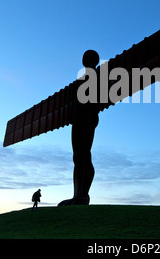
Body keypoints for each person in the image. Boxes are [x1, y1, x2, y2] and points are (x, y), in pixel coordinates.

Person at [58, 50, 100, 206]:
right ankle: (77, 195)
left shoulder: (96, 76)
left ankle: (83, 195)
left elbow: (93, 99)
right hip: (78, 119)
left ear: (93, 60)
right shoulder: (82, 78)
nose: (84, 58)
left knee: (83, 155)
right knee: (77, 157)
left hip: (87, 118)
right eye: (84, 56)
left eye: (87, 56)